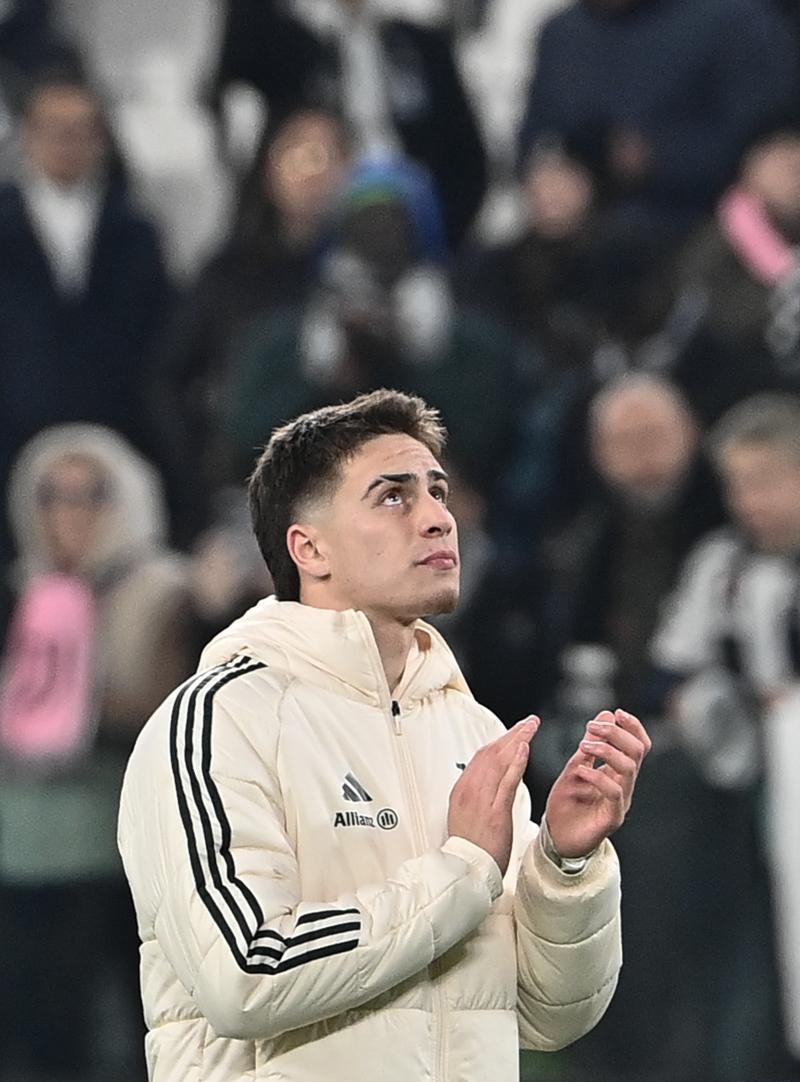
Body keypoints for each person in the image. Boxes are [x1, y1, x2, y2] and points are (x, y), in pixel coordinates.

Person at [118, 388, 650, 1081]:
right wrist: (464, 869)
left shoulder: (469, 728)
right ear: (309, 548)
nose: (438, 518)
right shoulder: (218, 719)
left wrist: (563, 866)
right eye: (393, 497)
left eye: (438, 492)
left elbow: (547, 1018)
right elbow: (246, 971)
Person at [0, 424, 196, 1081]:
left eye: (91, 495)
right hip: (20, 836)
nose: (70, 513)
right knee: (38, 1027)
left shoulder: (161, 588)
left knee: (118, 1033)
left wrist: (69, 705)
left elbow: (169, 714)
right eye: (52, 495)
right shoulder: (23, 587)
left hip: (116, 837)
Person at [649, 392, 800, 1080]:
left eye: (766, 480)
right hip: (746, 777)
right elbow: (672, 669)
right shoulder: (723, 565)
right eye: (737, 483)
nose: (748, 501)